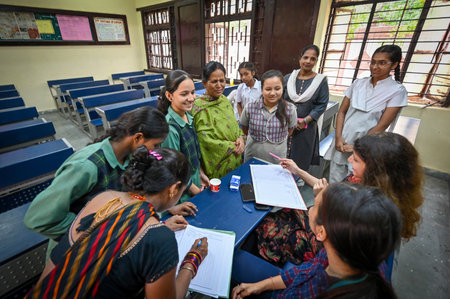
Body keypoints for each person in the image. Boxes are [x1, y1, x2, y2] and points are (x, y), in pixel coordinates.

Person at [27, 147, 208, 299]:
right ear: (174, 188)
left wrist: (158, 227)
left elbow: (106, 237)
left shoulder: (103, 198)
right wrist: (192, 260)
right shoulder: (160, 240)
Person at [255, 132, 423, 266]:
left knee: (268, 226)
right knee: (284, 212)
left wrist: (319, 200)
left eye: (355, 159)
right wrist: (297, 170)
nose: (349, 160)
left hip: (325, 242)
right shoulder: (362, 181)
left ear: (377, 170)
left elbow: (324, 237)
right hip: (323, 222)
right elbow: (328, 188)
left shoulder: (371, 209)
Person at [24, 106, 170, 256]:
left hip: (106, 245)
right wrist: (92, 231)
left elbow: (129, 196)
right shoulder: (86, 167)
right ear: (138, 137)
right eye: (155, 145)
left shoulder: (129, 158)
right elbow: (39, 218)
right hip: (74, 254)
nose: (156, 150)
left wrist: (160, 209)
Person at [232, 183, 401, 299]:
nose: (309, 208)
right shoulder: (344, 254)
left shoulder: (315, 292)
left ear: (321, 232)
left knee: (232, 260)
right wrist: (260, 285)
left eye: (315, 205)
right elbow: (305, 270)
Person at [324, 45, 408, 183]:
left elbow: (382, 125)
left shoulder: (397, 91)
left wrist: (358, 146)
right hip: (343, 141)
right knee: (335, 180)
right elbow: (342, 112)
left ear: (394, 65)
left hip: (367, 145)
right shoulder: (358, 84)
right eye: (373, 62)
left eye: (382, 63)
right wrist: (338, 137)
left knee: (356, 181)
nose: (375, 67)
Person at [158, 70, 210, 207]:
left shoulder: (188, 117)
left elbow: (194, 153)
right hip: (181, 189)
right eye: (184, 94)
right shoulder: (170, 128)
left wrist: (200, 173)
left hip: (193, 180)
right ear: (169, 96)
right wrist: (193, 189)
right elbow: (173, 170)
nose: (191, 98)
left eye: (192, 92)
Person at [191, 61, 245, 178]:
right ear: (204, 83)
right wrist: (232, 147)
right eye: (214, 81)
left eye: (222, 80)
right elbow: (205, 141)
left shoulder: (224, 100)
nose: (219, 85)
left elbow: (234, 125)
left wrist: (240, 138)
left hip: (236, 159)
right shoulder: (199, 108)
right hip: (218, 166)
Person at [284, 45, 329, 171]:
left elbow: (322, 104)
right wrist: (287, 119)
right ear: (300, 59)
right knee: (281, 157)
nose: (308, 61)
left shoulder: (320, 81)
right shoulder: (288, 78)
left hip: (306, 128)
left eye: (313, 59)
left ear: (316, 61)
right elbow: (280, 99)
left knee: (300, 158)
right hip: (285, 125)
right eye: (305, 57)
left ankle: (298, 183)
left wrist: (305, 120)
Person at [240, 70, 297, 163]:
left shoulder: (290, 109)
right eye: (268, 89)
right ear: (262, 89)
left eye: (277, 88)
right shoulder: (250, 107)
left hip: (277, 157)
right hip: (252, 155)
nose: (272, 93)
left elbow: (290, 130)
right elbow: (244, 128)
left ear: (283, 88)